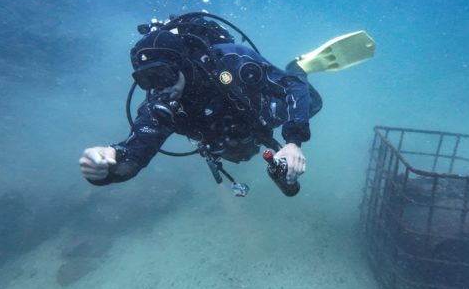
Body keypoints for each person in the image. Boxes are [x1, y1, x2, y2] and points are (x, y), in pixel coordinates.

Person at [79, 12, 374, 193]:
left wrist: (293, 141)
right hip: (224, 137)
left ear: (183, 63)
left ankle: (296, 65)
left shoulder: (232, 61)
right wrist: (104, 167)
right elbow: (131, 160)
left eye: (164, 74)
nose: (160, 87)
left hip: (257, 110)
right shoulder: (161, 105)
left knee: (312, 102)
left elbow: (289, 89)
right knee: (239, 153)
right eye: (148, 80)